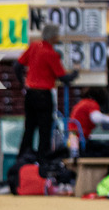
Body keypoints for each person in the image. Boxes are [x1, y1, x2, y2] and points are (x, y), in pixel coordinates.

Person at [15, 24, 77, 162]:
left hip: (30, 94)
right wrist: (75, 73)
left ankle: (23, 157)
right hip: (43, 95)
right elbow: (62, 77)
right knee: (45, 129)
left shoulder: (34, 47)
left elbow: (17, 65)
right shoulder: (51, 54)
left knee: (29, 128)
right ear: (53, 37)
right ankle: (43, 160)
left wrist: (22, 82)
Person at [69, 86, 109, 156]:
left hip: (74, 139)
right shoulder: (91, 103)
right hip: (80, 140)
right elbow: (96, 117)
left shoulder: (81, 103)